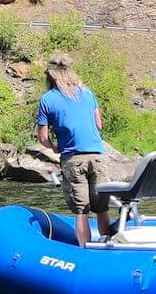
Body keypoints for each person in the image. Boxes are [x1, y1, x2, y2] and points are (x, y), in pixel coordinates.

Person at [37, 53, 111, 247]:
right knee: (102, 207)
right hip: (97, 156)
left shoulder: (47, 100)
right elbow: (99, 125)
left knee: (81, 211)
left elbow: (43, 137)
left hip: (73, 159)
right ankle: (108, 246)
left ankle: (85, 252)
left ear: (50, 75)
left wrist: (53, 147)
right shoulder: (88, 93)